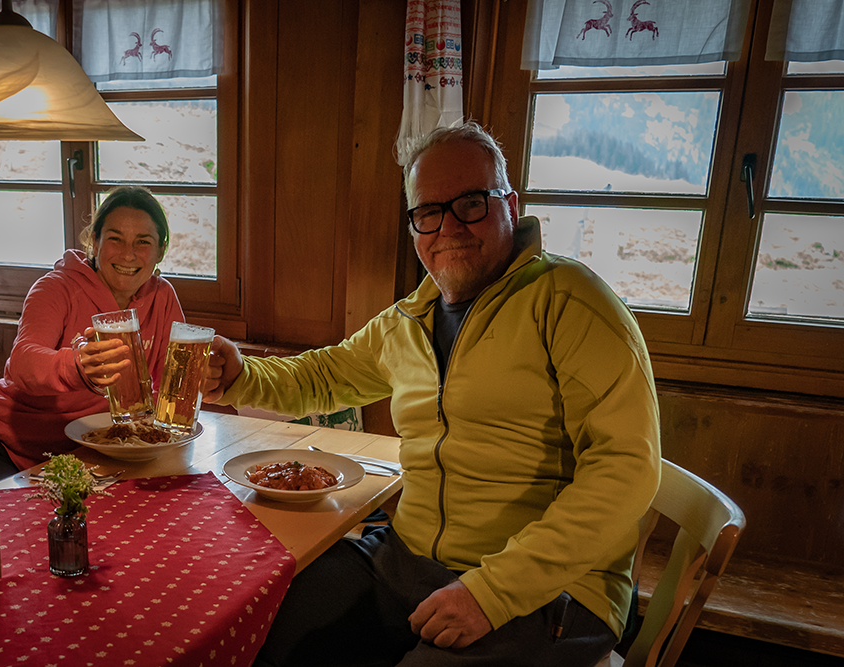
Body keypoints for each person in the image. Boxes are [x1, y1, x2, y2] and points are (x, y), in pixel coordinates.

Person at [203, 122, 661, 666]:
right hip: (407, 560)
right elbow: (322, 377)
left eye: (471, 203)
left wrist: (490, 595)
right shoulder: (409, 319)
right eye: (427, 212)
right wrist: (240, 376)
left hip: (553, 590)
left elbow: (627, 469)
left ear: (510, 204)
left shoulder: (570, 301)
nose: (449, 227)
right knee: (262, 622)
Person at [0, 186, 184, 501]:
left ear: (161, 250)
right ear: (95, 241)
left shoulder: (162, 297)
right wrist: (77, 367)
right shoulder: (56, 288)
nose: (128, 254)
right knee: (7, 535)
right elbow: (23, 362)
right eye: (115, 238)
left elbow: (167, 389)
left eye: (143, 242)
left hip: (86, 460)